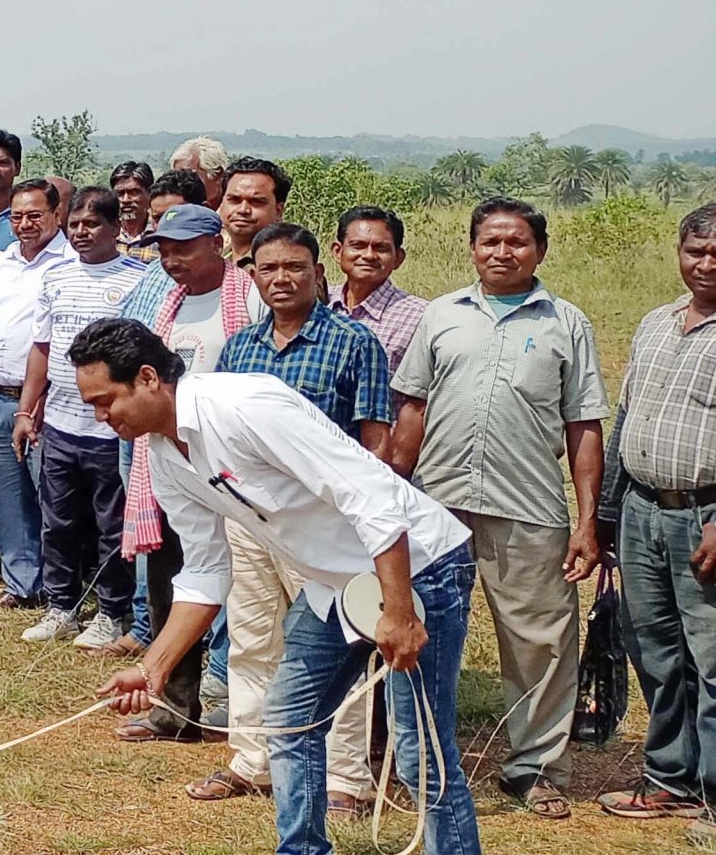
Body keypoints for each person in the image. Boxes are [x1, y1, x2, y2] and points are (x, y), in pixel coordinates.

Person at [77, 319, 482, 855]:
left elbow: (370, 494)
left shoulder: (245, 406)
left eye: (106, 402)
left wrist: (400, 610)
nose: (101, 418)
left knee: (420, 752)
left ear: (148, 378)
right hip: (334, 583)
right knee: (290, 721)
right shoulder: (164, 457)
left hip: (418, 566)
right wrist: (153, 669)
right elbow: (205, 571)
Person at [387, 197, 606, 819]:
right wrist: (396, 490)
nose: (502, 252)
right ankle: (422, 761)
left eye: (516, 242)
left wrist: (587, 521)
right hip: (438, 506)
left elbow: (583, 425)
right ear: (472, 247)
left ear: (540, 250)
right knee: (423, 632)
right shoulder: (441, 315)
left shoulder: (567, 323)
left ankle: (535, 768)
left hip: (528, 505)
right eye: (490, 241)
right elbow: (413, 406)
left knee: (539, 642)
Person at [197, 222, 394, 811]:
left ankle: (344, 778)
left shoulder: (354, 343)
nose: (281, 278)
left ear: (318, 272)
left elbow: (375, 443)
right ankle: (253, 760)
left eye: (294, 267)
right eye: (269, 269)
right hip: (250, 516)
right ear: (252, 276)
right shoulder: (240, 348)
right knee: (252, 640)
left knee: (335, 645)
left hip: (321, 523)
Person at [116, 202, 257, 744]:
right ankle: (172, 709)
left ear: (216, 244)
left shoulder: (246, 297)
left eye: (184, 249)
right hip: (170, 459)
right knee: (172, 581)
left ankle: (246, 712)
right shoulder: (163, 302)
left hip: (232, 467)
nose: (172, 261)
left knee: (246, 593)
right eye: (165, 251)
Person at [596, 203, 716, 838]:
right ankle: (672, 778)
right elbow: (625, 421)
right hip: (642, 509)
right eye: (696, 251)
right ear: (679, 252)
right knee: (655, 651)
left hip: (705, 515)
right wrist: (605, 515)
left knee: (712, 658)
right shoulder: (655, 323)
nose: (707, 264)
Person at [14, 185, 149, 650]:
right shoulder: (55, 276)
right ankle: (62, 607)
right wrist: (26, 410)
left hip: (112, 432)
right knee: (59, 521)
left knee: (112, 525)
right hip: (61, 426)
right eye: (74, 224)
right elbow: (41, 348)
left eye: (92, 224)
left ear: (115, 228)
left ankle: (112, 611)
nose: (82, 233)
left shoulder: (137, 279)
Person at [0, 177, 73, 609]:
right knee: (8, 499)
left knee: (52, 498)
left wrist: (40, 400)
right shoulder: (2, 262)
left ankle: (61, 587)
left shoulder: (70, 263)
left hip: (47, 402)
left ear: (57, 215)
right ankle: (21, 583)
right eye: (17, 216)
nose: (25, 224)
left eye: (35, 215)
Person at [329, 205, 431, 369]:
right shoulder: (318, 302)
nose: (369, 255)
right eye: (358, 245)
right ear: (338, 252)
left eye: (381, 248)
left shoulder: (420, 316)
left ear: (398, 258)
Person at [217, 157, 290, 266]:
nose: (243, 210)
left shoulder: (284, 265)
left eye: (256, 202)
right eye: (234, 200)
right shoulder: (214, 260)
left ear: (278, 211)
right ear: (221, 204)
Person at [110, 161, 157, 262]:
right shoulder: (105, 235)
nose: (125, 200)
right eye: (120, 193)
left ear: (149, 194)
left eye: (134, 192)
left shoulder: (160, 235)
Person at [170, 136, 229, 206]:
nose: (182, 186)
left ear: (218, 175)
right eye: (177, 180)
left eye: (191, 178)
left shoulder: (236, 209)